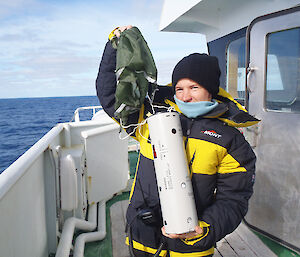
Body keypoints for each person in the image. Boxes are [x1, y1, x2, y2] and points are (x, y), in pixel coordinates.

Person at [96, 25, 258, 257]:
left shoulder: (230, 139)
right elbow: (111, 95)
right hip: (143, 235)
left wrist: (203, 231)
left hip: (192, 245)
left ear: (211, 91)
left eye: (194, 87)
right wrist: (115, 46)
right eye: (179, 88)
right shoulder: (150, 119)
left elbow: (233, 200)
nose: (185, 96)